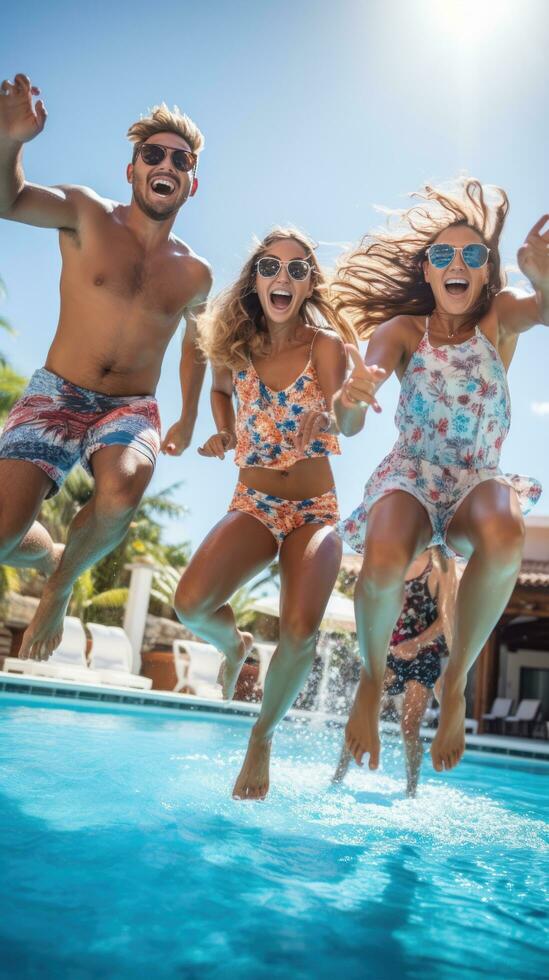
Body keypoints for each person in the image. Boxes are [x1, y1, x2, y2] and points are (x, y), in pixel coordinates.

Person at [331, 179, 546, 774]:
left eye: (472, 256)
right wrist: (353, 397)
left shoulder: (500, 316)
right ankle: (371, 681)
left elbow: (545, 308)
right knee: (380, 561)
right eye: (444, 256)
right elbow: (351, 418)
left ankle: (455, 683)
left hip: (476, 478)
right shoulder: (402, 330)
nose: (458, 264)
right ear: (427, 272)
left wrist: (543, 274)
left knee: (505, 532)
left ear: (486, 274)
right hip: (413, 477)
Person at [0, 73, 211, 659]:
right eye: (152, 154)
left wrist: (189, 417)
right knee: (2, 537)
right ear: (133, 169)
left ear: (192, 182)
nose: (165, 163)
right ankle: (48, 554)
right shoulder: (86, 213)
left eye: (180, 158)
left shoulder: (196, 274)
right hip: (56, 394)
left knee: (123, 489)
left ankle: (59, 587)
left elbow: (198, 342)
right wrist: (11, 140)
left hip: (130, 407)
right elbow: (8, 199)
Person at [174, 227, 355, 800]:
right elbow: (222, 390)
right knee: (191, 603)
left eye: (298, 269)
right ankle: (235, 648)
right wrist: (224, 432)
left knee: (300, 630)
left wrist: (332, 419)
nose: (284, 277)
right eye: (271, 266)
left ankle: (262, 736)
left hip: (313, 510)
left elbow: (350, 413)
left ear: (308, 284)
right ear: (256, 277)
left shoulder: (325, 345)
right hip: (253, 502)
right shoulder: (238, 342)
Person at [333, 548, 459, 797]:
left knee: (409, 726)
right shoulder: (394, 557)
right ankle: (337, 778)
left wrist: (417, 642)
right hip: (388, 651)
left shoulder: (438, 565)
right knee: (361, 713)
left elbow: (447, 618)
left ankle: (411, 790)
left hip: (424, 654)